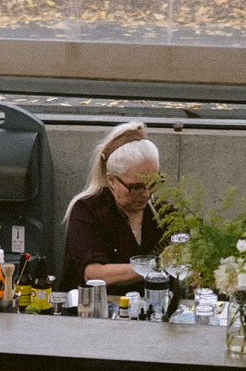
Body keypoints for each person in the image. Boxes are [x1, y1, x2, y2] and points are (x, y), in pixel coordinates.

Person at [59, 122, 166, 292]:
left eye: (152, 184)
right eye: (136, 187)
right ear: (111, 180)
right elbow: (94, 274)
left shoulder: (164, 213)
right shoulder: (87, 211)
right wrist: (157, 267)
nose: (146, 194)